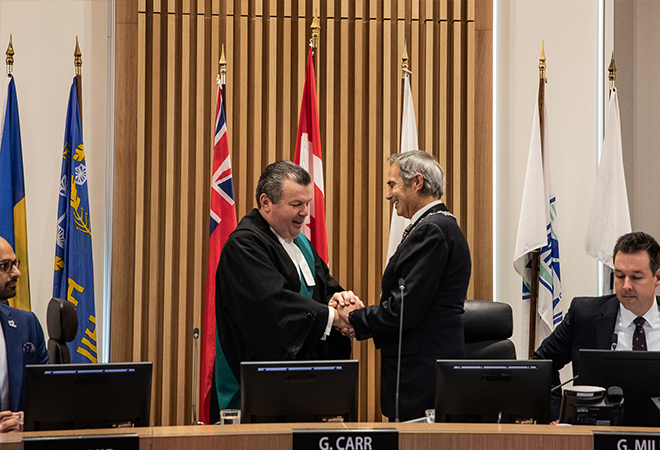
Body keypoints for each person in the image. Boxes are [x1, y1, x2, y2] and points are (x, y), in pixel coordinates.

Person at [336, 150, 471, 421]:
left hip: (423, 380)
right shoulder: (436, 226)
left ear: (416, 183)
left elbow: (404, 310)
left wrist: (352, 317)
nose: (388, 194)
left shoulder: (432, 231)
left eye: (392, 184)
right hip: (424, 375)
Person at [215, 161, 356, 411]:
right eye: (296, 204)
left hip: (303, 382)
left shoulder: (300, 243)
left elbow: (325, 287)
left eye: (307, 204)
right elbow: (274, 305)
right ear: (266, 202)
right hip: (260, 387)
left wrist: (342, 300)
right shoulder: (244, 246)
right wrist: (334, 317)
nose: (305, 212)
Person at [534, 231, 660, 420]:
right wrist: (556, 416)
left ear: (657, 278)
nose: (626, 285)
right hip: (595, 434)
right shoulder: (584, 315)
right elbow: (542, 363)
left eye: (636, 277)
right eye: (619, 275)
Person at [0, 236, 49, 432]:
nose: (17, 273)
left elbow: (46, 396)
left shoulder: (27, 324)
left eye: (15, 264)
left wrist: (27, 420)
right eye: (5, 266)